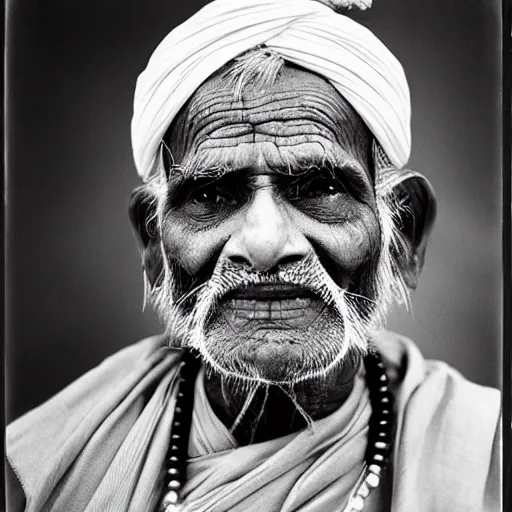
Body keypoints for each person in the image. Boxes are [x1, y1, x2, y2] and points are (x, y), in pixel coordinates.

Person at [6, 0, 501, 511]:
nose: (264, 244)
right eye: (211, 196)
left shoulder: (488, 456)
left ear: (404, 234)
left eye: (320, 187)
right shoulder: (44, 468)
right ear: (153, 244)